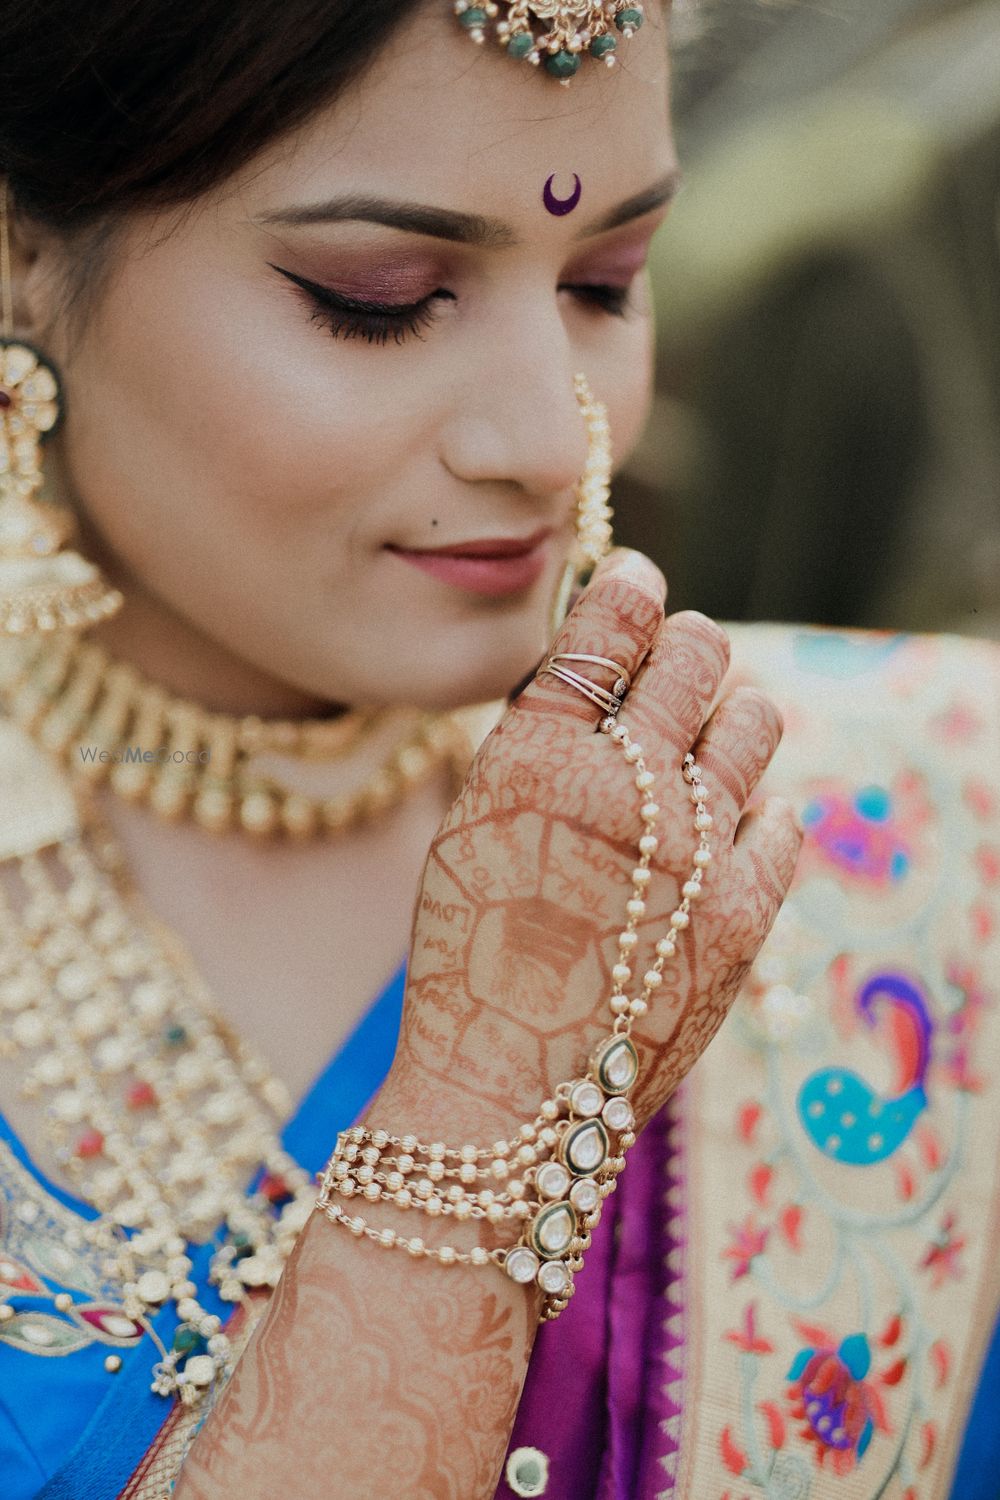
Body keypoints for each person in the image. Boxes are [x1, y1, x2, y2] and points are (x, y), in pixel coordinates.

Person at [0, 3, 802, 1496]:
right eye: (381, 297)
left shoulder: (879, 822)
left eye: (610, 282)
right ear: (23, 253)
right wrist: (486, 1119)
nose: (554, 443)